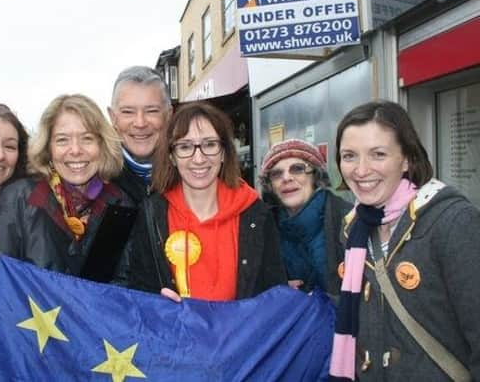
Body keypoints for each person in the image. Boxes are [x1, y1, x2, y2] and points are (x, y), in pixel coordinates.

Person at [329, 100, 480, 381]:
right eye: (349, 156)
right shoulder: (353, 228)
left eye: (378, 154)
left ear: (407, 159)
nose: (361, 170)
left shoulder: (453, 222)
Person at [127, 102, 286, 301]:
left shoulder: (256, 213)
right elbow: (139, 290)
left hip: (241, 332)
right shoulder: (152, 214)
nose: (199, 158)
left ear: (224, 152)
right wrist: (158, 304)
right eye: (185, 147)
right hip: (174, 331)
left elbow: (274, 295)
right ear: (172, 156)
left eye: (209, 144)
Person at [0, 94, 135, 278]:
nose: (75, 150)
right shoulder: (18, 199)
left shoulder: (121, 205)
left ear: (102, 145)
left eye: (87, 138)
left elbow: (124, 288)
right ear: (48, 149)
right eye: (62, 140)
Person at [260, 139, 351, 296]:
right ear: (270, 185)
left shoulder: (347, 219)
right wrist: (277, 286)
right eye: (276, 173)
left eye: (297, 169)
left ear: (315, 176)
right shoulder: (263, 227)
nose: (286, 178)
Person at [108, 66, 172, 205]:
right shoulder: (97, 181)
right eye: (128, 112)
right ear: (112, 117)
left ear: (168, 115)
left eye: (152, 111)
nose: (140, 123)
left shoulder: (193, 175)